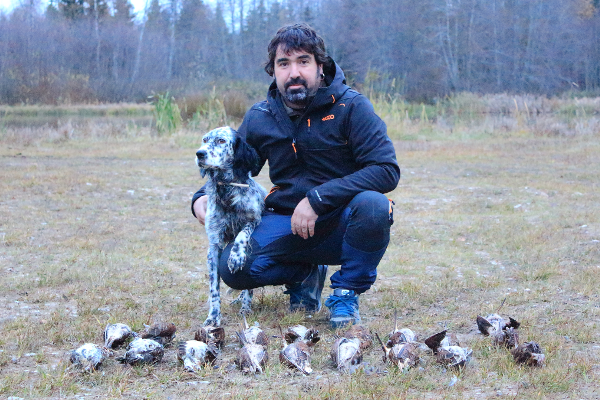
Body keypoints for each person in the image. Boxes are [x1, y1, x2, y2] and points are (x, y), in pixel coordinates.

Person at [192, 23, 400, 328]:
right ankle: (303, 273)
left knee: (374, 206)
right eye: (283, 63)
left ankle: (345, 293)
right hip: (285, 223)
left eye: (303, 61)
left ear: (320, 66)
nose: (294, 73)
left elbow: (386, 170)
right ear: (273, 70)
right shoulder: (261, 116)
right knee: (234, 269)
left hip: (342, 222)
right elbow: (234, 166)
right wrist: (199, 200)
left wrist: (317, 199)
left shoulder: (352, 107)